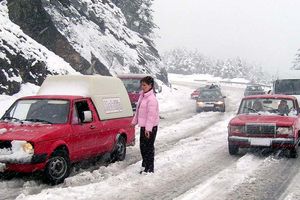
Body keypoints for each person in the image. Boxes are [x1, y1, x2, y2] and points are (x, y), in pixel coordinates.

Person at [131, 76, 159, 173]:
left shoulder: (152, 99)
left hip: (151, 127)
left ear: (150, 85)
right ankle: (145, 166)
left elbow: (151, 116)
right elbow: (138, 111)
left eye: (144, 85)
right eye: (141, 85)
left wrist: (148, 129)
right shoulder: (142, 96)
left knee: (148, 148)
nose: (142, 87)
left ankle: (149, 168)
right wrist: (134, 122)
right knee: (143, 148)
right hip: (144, 126)